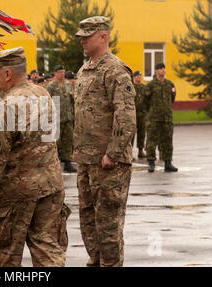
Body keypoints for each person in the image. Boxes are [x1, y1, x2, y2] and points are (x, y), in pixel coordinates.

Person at [0, 47, 69, 267]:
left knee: (2, 258)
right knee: (48, 254)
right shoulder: (42, 94)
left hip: (15, 195)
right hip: (49, 188)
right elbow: (23, 131)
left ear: (7, 74)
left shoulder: (8, 105)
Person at [73, 16, 136, 267]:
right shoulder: (84, 69)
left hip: (108, 164)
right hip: (86, 160)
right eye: (81, 37)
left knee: (108, 225)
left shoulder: (116, 70)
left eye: (87, 36)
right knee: (88, 221)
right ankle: (95, 261)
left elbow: (126, 116)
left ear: (103, 36)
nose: (82, 41)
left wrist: (114, 153)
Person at [143, 62, 178, 173]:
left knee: (168, 140)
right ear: (156, 71)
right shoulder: (150, 85)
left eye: (164, 68)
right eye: (160, 69)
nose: (163, 70)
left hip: (167, 118)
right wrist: (152, 111)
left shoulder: (170, 85)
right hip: (154, 118)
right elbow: (145, 102)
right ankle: (151, 163)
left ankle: (168, 163)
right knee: (151, 141)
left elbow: (172, 99)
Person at [46, 65, 76, 173]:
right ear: (55, 73)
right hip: (56, 119)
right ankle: (55, 163)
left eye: (63, 72)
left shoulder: (68, 85)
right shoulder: (51, 86)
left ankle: (67, 162)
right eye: (60, 72)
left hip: (68, 117)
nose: (62, 74)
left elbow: (72, 100)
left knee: (68, 140)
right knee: (56, 142)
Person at [132, 70, 147, 159]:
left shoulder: (144, 88)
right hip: (133, 114)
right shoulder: (130, 87)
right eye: (137, 76)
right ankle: (129, 153)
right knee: (131, 134)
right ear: (134, 77)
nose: (139, 77)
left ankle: (140, 151)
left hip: (142, 114)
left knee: (142, 133)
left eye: (140, 76)